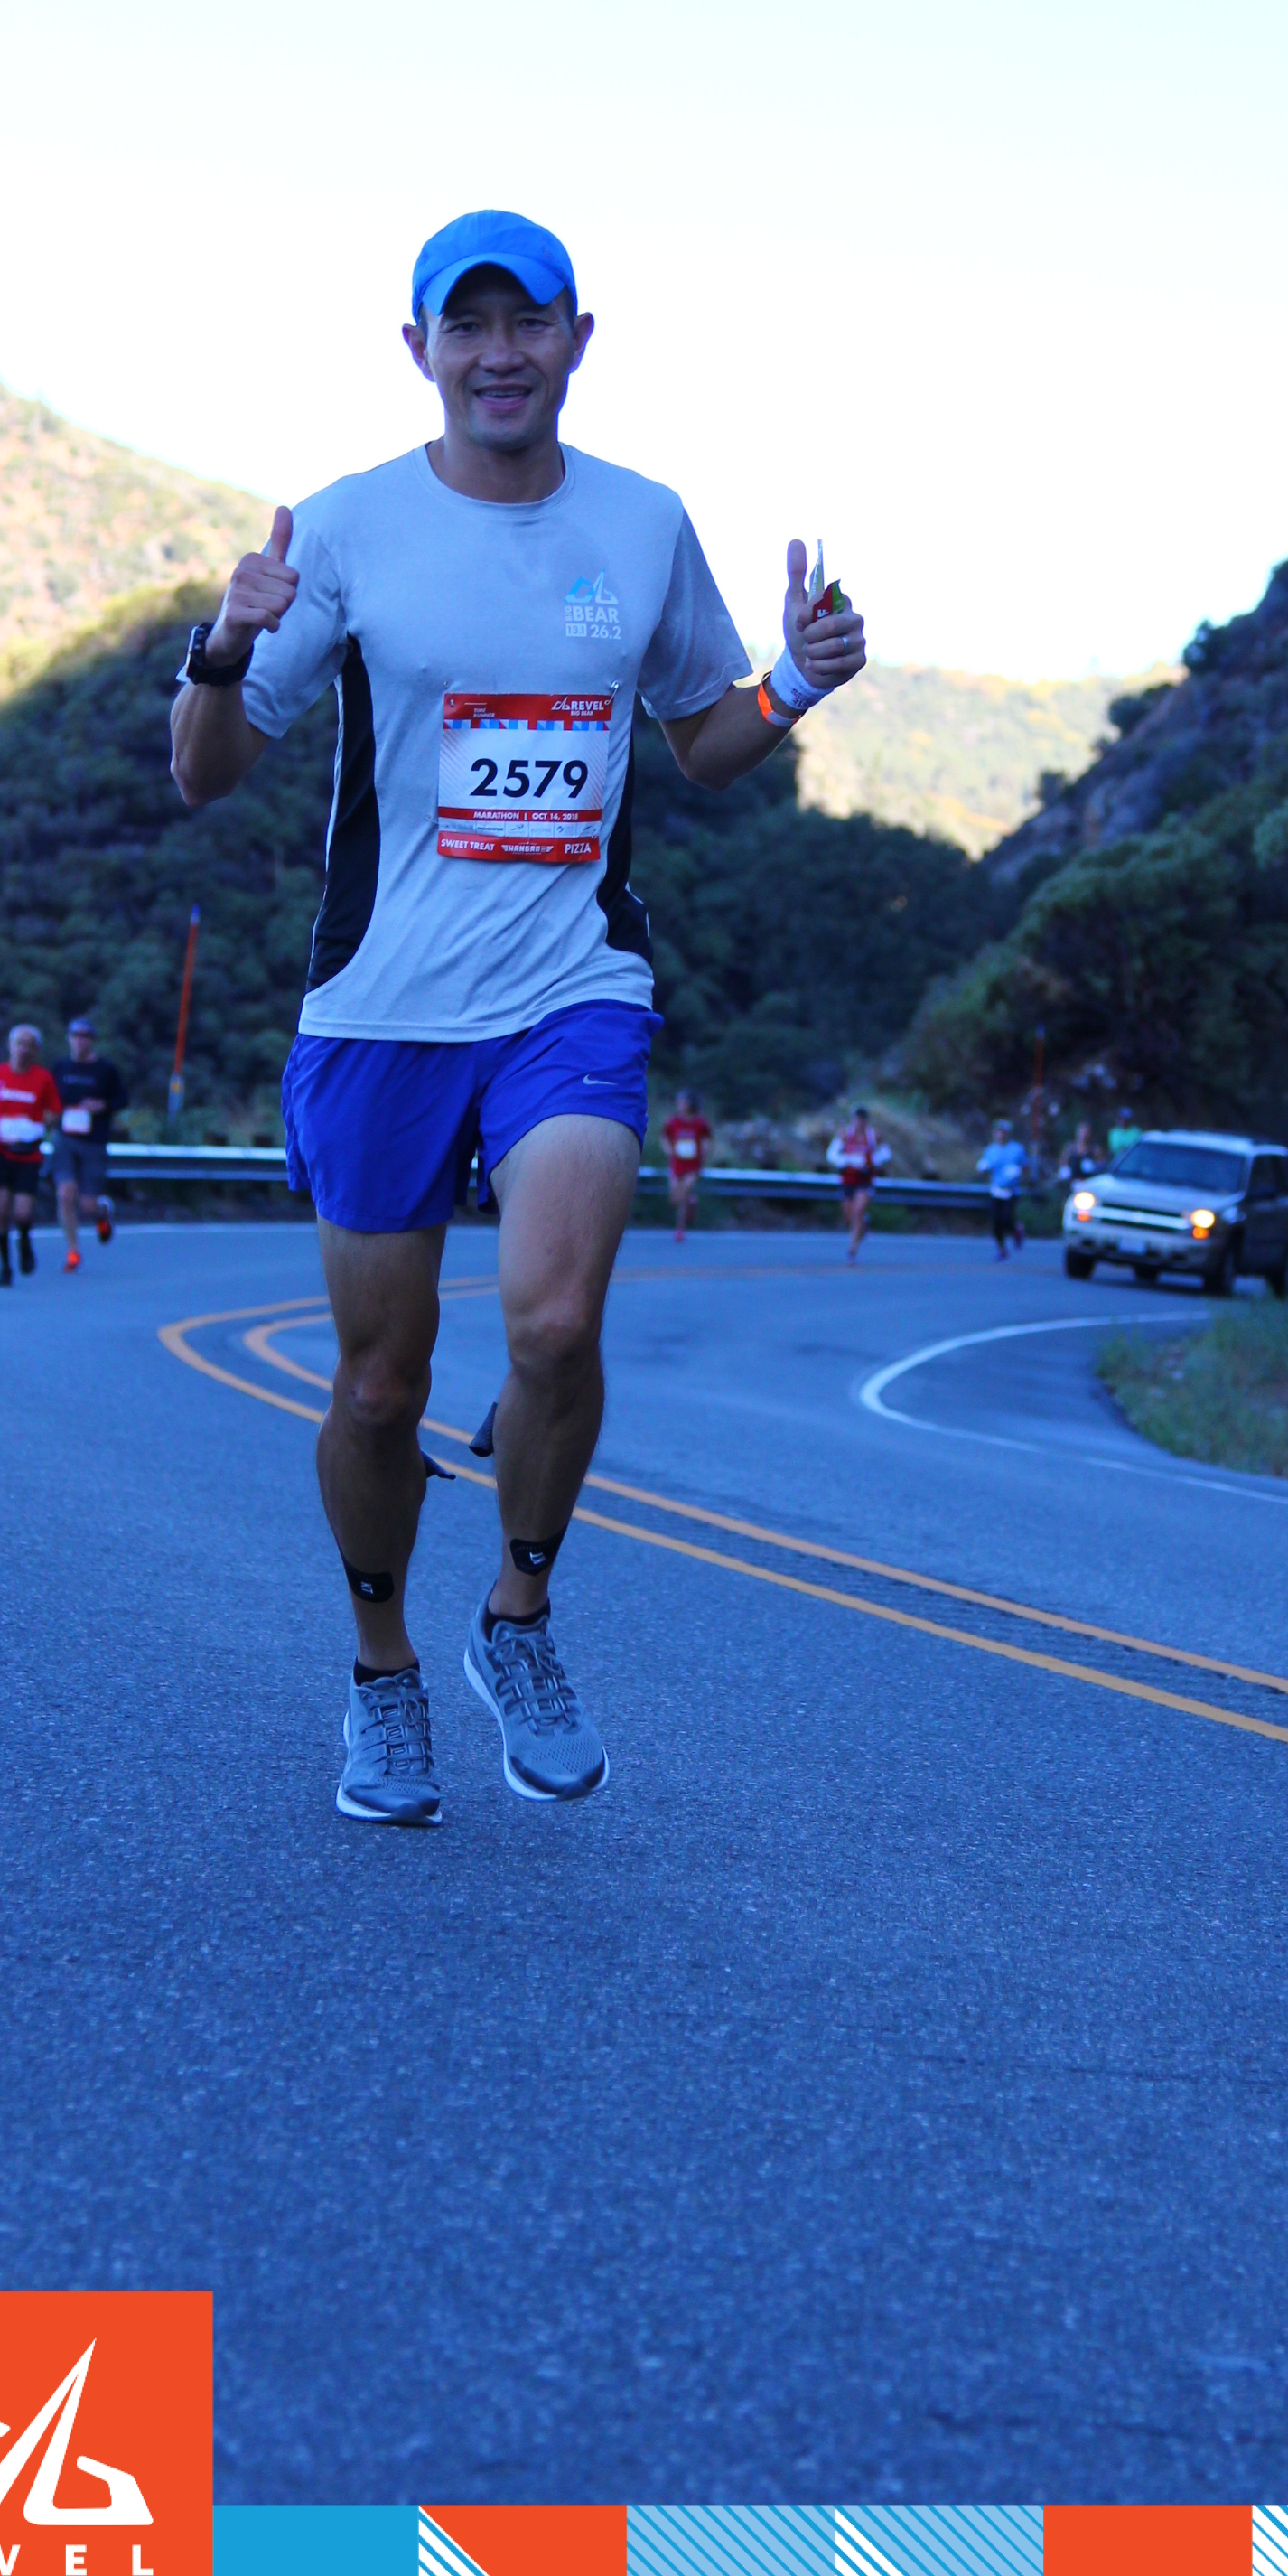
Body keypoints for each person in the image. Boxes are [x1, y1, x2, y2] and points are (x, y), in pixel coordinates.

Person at [170, 208, 865, 1826]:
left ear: (576, 340)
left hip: (571, 986)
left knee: (552, 1325)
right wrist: (224, 643)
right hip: (381, 1006)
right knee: (378, 1388)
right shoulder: (347, 528)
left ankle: (520, 1613)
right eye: (466, 326)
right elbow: (204, 774)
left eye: (527, 322)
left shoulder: (641, 523)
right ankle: (381, 1670)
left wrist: (792, 683)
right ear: (418, 348)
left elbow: (702, 738)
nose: (499, 354)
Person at [0, 1024, 61, 1287]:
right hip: (0, 1153)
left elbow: (55, 1112)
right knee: (1, 1210)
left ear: (36, 1051)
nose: (23, 1049)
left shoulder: (43, 1078)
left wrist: (38, 1127)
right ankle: (5, 1267)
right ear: (10, 1046)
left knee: (22, 1213)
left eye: (29, 1045)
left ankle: (24, 1240)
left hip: (28, 1156)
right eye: (19, 1043)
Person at [52, 1016, 126, 1269]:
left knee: (86, 1204)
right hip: (65, 1139)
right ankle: (72, 1251)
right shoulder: (60, 1067)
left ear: (92, 1040)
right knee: (65, 1194)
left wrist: (101, 1105)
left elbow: (122, 1099)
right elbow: (48, 1096)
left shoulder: (105, 1069)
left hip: (94, 1142)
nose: (80, 1041)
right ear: (69, 1039)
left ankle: (102, 1213)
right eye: (76, 1036)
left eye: (85, 1036)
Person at [828, 1103, 891, 1260]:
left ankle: (853, 1248)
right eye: (857, 1119)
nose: (859, 1123)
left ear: (866, 1121)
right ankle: (863, 1225)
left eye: (862, 1119)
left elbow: (886, 1153)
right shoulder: (845, 1134)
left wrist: (871, 1161)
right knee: (848, 1215)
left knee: (858, 1210)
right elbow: (832, 1154)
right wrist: (847, 1160)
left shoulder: (874, 1136)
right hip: (848, 1178)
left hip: (865, 1179)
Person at [661, 1084, 714, 1241]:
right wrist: (668, 1149)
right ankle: (692, 1200)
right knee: (675, 1198)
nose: (680, 1105)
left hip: (693, 1165)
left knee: (684, 1191)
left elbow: (707, 1140)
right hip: (676, 1163)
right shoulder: (672, 1122)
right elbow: (664, 1137)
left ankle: (680, 1229)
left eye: (682, 1102)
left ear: (690, 1104)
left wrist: (705, 1150)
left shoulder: (700, 1123)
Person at [975, 1116, 1028, 1258]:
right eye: (998, 1131)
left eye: (1003, 1131)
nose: (1000, 1134)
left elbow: (1025, 1168)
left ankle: (1016, 1230)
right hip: (996, 1191)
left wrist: (1018, 1176)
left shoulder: (1017, 1149)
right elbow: (984, 1169)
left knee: (1006, 1218)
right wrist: (983, 1171)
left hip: (1011, 1191)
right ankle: (1001, 1248)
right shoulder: (991, 1150)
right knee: (996, 1222)